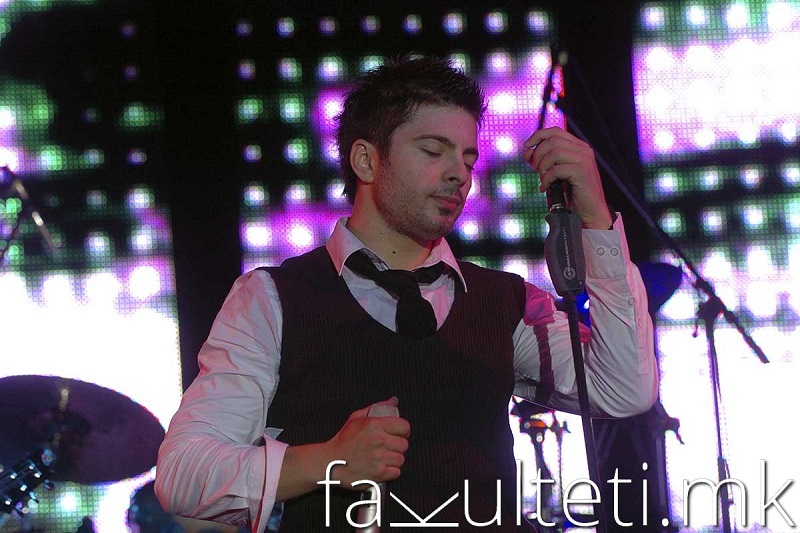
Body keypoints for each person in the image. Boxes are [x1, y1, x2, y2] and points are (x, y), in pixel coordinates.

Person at [155, 56, 657, 532]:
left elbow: (624, 389)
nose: (459, 173)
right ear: (366, 160)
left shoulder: (504, 301)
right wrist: (327, 461)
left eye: (467, 158)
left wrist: (594, 217)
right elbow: (182, 474)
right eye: (433, 151)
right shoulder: (273, 299)